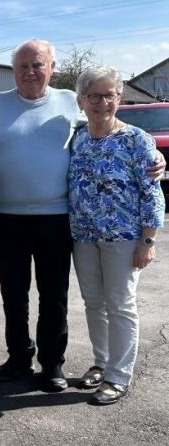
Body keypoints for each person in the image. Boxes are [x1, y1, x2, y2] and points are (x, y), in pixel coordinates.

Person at [0, 39, 165, 393]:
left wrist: (155, 155)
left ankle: (52, 364)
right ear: (14, 70)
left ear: (52, 67)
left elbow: (109, 123)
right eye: (22, 66)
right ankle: (18, 358)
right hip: (7, 219)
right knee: (14, 296)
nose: (30, 72)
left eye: (38, 64)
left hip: (57, 219)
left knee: (54, 297)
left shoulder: (68, 101)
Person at [69, 66, 164, 405]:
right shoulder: (78, 138)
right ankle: (102, 362)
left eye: (109, 95)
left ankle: (118, 376)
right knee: (94, 303)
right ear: (81, 101)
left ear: (119, 98)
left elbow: (152, 193)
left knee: (120, 305)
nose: (102, 102)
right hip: (83, 235)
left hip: (124, 237)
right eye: (94, 96)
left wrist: (148, 241)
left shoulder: (136, 139)